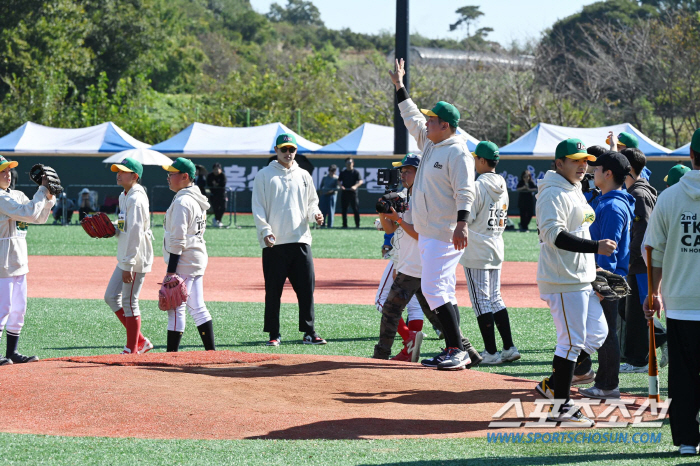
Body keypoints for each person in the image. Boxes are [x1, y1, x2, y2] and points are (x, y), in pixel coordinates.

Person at [391, 58, 479, 370]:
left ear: (446, 125)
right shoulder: (431, 142)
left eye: (433, 120)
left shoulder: (458, 151)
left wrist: (462, 224)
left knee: (432, 288)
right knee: (438, 289)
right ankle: (455, 348)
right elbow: (411, 118)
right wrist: (401, 88)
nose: (427, 122)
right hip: (430, 231)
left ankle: (458, 349)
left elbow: (466, 191)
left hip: (445, 232)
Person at [534, 138, 616, 426]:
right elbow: (553, 235)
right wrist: (595, 248)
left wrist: (594, 272)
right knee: (570, 343)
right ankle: (561, 407)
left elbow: (578, 230)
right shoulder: (552, 193)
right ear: (559, 164)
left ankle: (553, 384)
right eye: (575, 160)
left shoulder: (574, 189)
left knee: (596, 334)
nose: (582, 165)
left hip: (581, 276)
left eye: (584, 160)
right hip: (562, 278)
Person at [644, 127, 700, 456]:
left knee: (681, 374)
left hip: (680, 303)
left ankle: (687, 441)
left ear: (691, 156)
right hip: (682, 304)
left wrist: (653, 292)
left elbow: (654, 252)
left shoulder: (669, 197)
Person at [252, 133, 326, 346]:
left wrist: (316, 215)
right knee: (273, 292)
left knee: (306, 291)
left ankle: (309, 332)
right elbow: (258, 207)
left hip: (301, 239)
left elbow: (312, 202)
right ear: (276, 150)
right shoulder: (264, 175)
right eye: (283, 149)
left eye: (291, 149)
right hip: (274, 243)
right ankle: (274, 334)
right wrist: (265, 231)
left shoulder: (303, 175)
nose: (288, 153)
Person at [578, 151, 634, 400]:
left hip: (606, 277)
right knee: (600, 330)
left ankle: (608, 385)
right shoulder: (607, 200)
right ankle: (590, 374)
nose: (592, 172)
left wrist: (601, 285)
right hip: (604, 276)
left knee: (607, 332)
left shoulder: (612, 205)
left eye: (597, 168)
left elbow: (608, 249)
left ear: (608, 173)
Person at [461, 142, 520, 365]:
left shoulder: (477, 186)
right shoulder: (502, 184)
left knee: (481, 301)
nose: (475, 162)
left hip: (477, 245)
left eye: (477, 158)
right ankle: (509, 347)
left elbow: (468, 217)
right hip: (496, 242)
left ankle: (491, 352)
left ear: (483, 161)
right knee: (495, 298)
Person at [0, 155, 56, 365]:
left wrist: (49, 195)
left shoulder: (16, 194)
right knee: (2, 307)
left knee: (18, 308)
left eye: (8, 170)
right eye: (2, 171)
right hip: (2, 260)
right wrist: (42, 190)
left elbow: (39, 217)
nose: (7, 174)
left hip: (19, 259)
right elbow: (28, 211)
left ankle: (12, 352)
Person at [373, 154, 428, 362]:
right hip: (408, 256)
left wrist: (395, 218)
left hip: (407, 258)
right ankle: (408, 351)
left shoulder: (422, 198)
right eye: (401, 171)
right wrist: (383, 212)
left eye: (408, 170)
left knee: (383, 302)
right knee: (417, 307)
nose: (403, 174)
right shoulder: (404, 195)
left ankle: (408, 341)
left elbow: (417, 232)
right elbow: (390, 227)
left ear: (420, 172)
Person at [162, 157, 216, 352]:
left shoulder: (184, 201)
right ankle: (211, 353)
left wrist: (170, 272)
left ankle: (171, 356)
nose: (168, 177)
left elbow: (178, 239)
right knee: (197, 306)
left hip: (184, 259)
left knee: (175, 309)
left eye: (171, 173)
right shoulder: (194, 196)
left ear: (185, 176)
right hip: (195, 256)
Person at [104, 157, 154, 355]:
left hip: (135, 257)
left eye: (123, 171)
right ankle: (141, 341)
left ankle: (132, 349)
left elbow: (135, 232)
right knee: (110, 297)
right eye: (118, 170)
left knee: (129, 301)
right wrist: (112, 228)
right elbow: (126, 226)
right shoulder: (125, 195)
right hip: (127, 256)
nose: (118, 174)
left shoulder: (136, 198)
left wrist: (129, 264)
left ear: (135, 176)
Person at [619, 148, 663, 373]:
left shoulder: (638, 193)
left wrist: (629, 257)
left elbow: (642, 230)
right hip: (636, 263)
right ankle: (645, 352)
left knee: (637, 313)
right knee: (630, 311)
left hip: (638, 264)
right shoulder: (635, 190)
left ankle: (639, 359)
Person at [339, 158, 363, 228]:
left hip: (353, 193)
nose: (349, 164)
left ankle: (357, 225)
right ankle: (344, 225)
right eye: (347, 163)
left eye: (350, 163)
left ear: (353, 163)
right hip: (345, 193)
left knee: (356, 209)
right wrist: (341, 186)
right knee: (344, 210)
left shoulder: (356, 172)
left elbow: (360, 181)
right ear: (345, 164)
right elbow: (339, 181)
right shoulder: (343, 172)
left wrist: (355, 186)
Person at [206, 163, 227, 228]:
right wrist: (215, 186)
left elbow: (223, 184)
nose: (216, 171)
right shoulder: (210, 176)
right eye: (215, 169)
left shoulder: (223, 176)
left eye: (218, 169)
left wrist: (216, 185)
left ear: (221, 170)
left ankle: (217, 220)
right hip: (214, 195)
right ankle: (218, 221)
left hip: (222, 194)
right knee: (216, 208)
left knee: (223, 207)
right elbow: (210, 185)